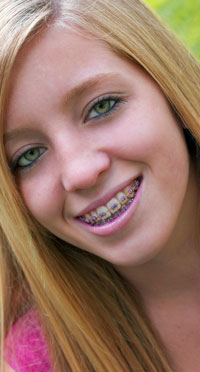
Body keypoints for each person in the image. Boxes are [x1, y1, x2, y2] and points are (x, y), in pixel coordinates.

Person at [1, 0, 200, 371]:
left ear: (168, 86)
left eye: (102, 106)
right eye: (28, 156)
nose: (79, 172)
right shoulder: (41, 360)